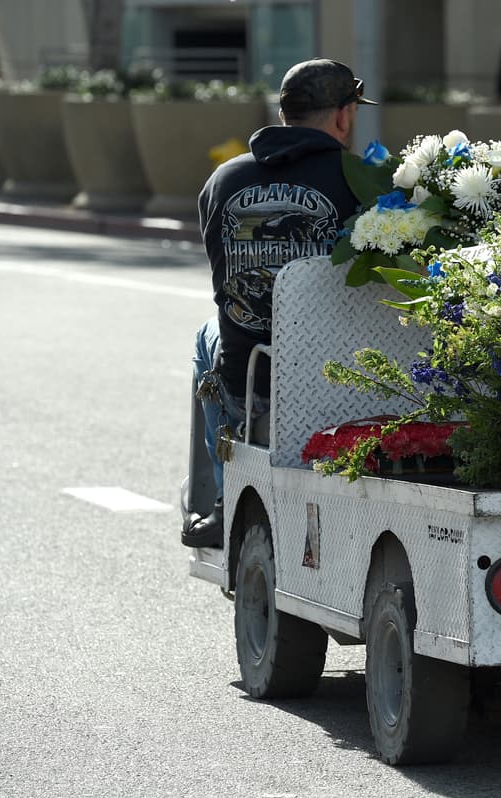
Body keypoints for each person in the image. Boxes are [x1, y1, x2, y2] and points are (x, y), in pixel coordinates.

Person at [182, 58, 374, 548]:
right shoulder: (366, 184)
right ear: (344, 116)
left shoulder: (223, 180)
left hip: (251, 380)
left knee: (209, 333)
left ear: (285, 112)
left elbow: (221, 275)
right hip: (339, 376)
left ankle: (224, 499)